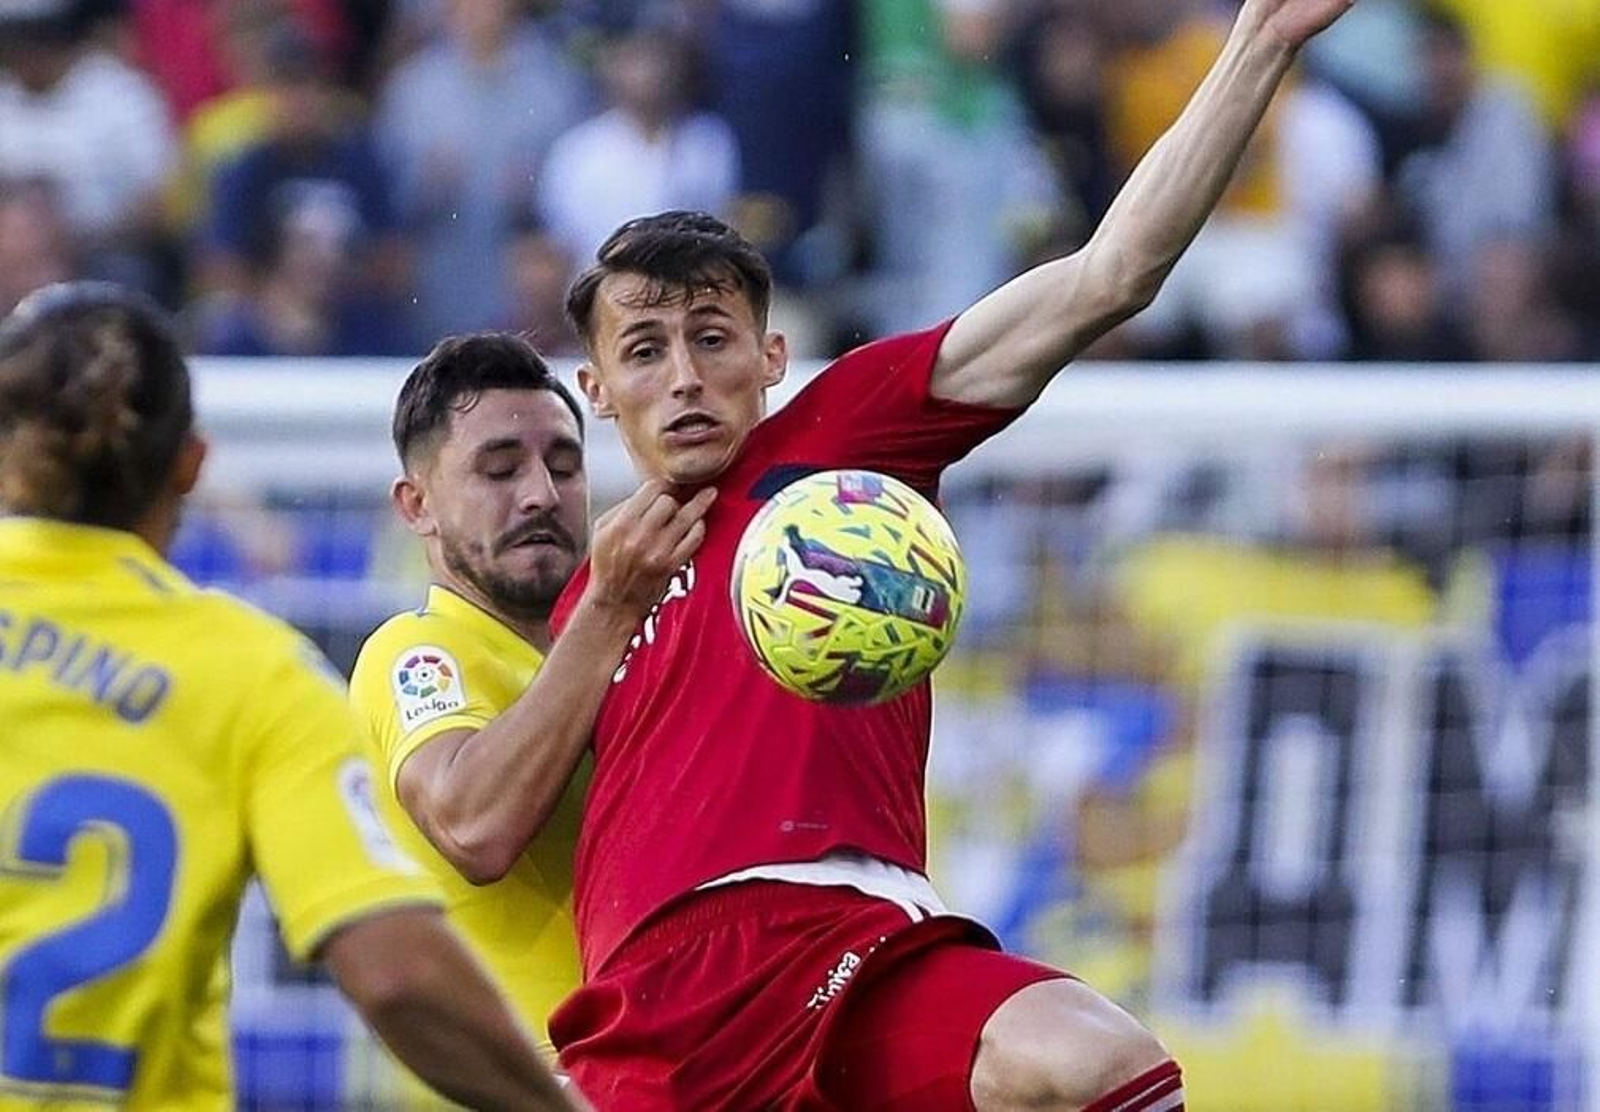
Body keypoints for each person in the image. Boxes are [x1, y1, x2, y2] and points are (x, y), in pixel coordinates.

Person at [512, 0, 1354, 1108]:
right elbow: (489, 826)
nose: (682, 375)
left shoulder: (844, 438)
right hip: (657, 1014)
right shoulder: (588, 596)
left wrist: (1258, 48)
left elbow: (1107, 277)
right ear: (596, 386)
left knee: (1089, 1056)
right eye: (645, 349)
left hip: (849, 942)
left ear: (770, 357)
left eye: (712, 339)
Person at [0, 282, 578, 1111]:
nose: (540, 493)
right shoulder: (252, 673)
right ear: (192, 464)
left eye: (564, 465)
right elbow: (395, 971)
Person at [348, 332, 711, 1070]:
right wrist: (609, 610)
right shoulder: (417, 654)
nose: (542, 493)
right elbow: (475, 827)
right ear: (417, 505)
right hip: (525, 1080)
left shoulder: (628, 652)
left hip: (659, 1068)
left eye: (564, 465)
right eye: (499, 469)